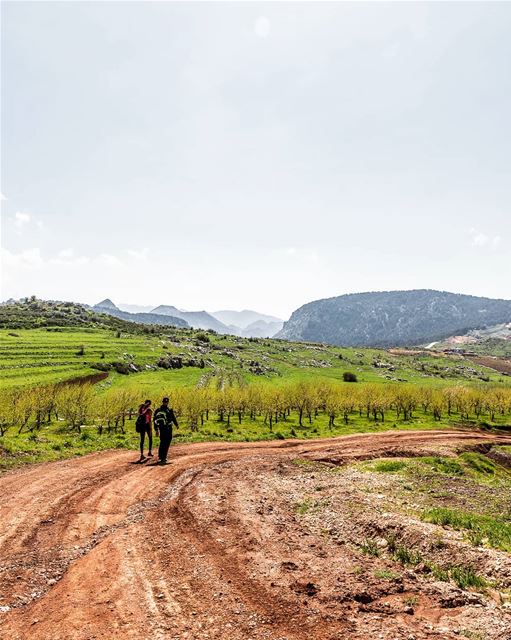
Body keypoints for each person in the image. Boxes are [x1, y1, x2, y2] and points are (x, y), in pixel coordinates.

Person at [153, 397, 178, 465]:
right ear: (167, 402)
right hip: (168, 428)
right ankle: (164, 457)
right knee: (167, 442)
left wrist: (156, 429)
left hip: (161, 428)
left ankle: (161, 456)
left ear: (162, 402)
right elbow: (173, 418)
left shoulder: (158, 410)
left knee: (162, 441)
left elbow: (154, 420)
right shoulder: (169, 410)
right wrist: (176, 425)